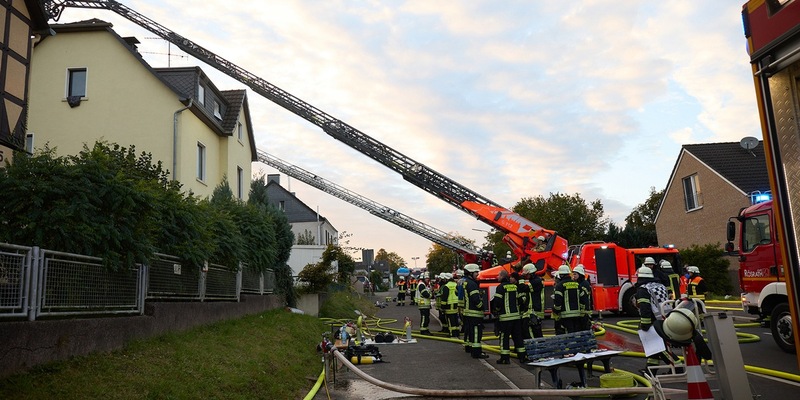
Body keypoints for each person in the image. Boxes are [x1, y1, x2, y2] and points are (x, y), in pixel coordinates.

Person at [636, 265, 678, 373]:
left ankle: (678, 365)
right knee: (653, 346)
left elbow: (645, 308)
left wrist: (644, 324)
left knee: (659, 348)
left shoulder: (644, 289)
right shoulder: (660, 286)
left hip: (654, 321)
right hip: (666, 319)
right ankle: (650, 370)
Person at [491, 270, 526, 364]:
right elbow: (521, 300)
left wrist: (497, 311)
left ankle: (505, 358)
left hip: (505, 318)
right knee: (518, 337)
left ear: (502, 276)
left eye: (498, 275)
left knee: (504, 338)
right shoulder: (515, 287)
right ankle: (522, 357)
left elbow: (497, 302)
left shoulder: (500, 287)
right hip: (516, 317)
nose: (497, 277)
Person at [462, 263, 489, 359]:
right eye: (476, 272)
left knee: (469, 332)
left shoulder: (466, 282)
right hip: (474, 313)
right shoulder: (472, 284)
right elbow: (475, 299)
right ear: (470, 273)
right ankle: (477, 352)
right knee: (477, 333)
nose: (478, 274)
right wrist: (482, 307)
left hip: (468, 312)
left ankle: (469, 347)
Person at [553, 264, 586, 334]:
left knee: (569, 334)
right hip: (577, 314)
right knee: (576, 333)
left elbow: (558, 301)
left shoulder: (559, 286)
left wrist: (556, 310)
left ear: (561, 275)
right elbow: (583, 299)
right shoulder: (577, 284)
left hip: (565, 315)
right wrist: (582, 310)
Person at [520, 263, 544, 339]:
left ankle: (536, 349)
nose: (526, 277)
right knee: (533, 332)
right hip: (532, 311)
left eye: (527, 275)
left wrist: (521, 279)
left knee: (531, 332)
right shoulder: (535, 281)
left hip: (534, 311)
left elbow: (523, 288)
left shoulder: (536, 282)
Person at [572, 264, 594, 331]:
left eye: (575, 274)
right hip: (580, 310)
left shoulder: (584, 284)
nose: (574, 276)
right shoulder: (579, 283)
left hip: (584, 310)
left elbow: (583, 297)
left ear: (580, 274)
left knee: (584, 328)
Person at [440, 273, 461, 337]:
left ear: (446, 279)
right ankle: (457, 333)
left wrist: (442, 307)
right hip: (456, 304)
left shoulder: (447, 286)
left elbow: (444, 298)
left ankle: (452, 334)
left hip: (449, 305)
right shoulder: (456, 284)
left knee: (450, 321)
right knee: (455, 320)